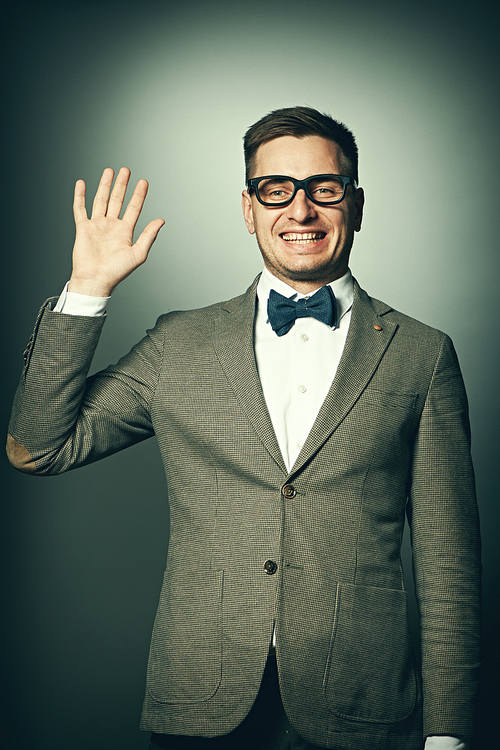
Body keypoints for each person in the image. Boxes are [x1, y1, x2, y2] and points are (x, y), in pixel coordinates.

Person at [7, 107, 481, 750]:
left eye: (325, 188)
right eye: (276, 189)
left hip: (362, 708)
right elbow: (39, 447)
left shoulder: (421, 355)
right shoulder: (180, 343)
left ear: (357, 204)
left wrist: (448, 731)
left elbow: (449, 561)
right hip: (199, 698)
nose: (301, 210)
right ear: (249, 207)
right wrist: (88, 288)